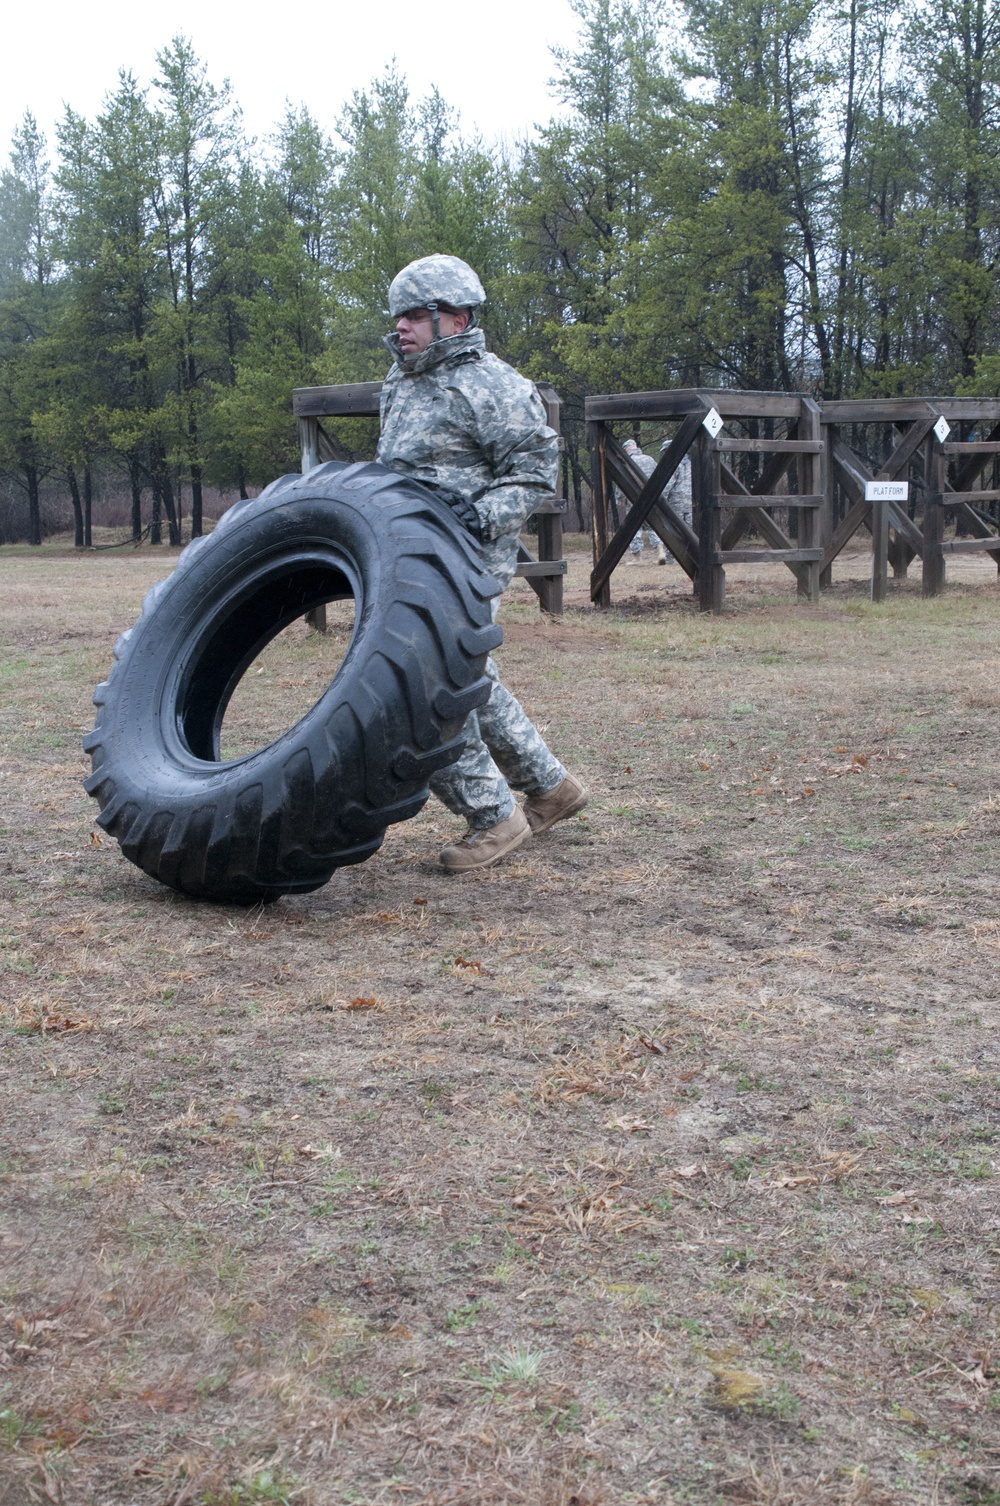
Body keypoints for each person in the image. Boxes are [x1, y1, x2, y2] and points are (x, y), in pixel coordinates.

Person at [376, 253, 588, 873]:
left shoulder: (494, 384)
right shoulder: (401, 380)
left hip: (466, 561)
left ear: (457, 317)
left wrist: (480, 515)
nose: (403, 328)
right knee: (470, 677)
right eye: (398, 317)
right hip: (409, 555)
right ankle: (551, 789)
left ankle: (493, 816)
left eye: (416, 315)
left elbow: (532, 474)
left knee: (427, 686)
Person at [616, 437, 693, 565]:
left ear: (626, 450)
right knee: (653, 526)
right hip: (658, 499)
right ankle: (661, 552)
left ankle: (637, 557)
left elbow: (622, 481)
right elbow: (659, 477)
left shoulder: (627, 461)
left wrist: (619, 497)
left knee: (634, 528)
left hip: (634, 498)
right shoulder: (650, 459)